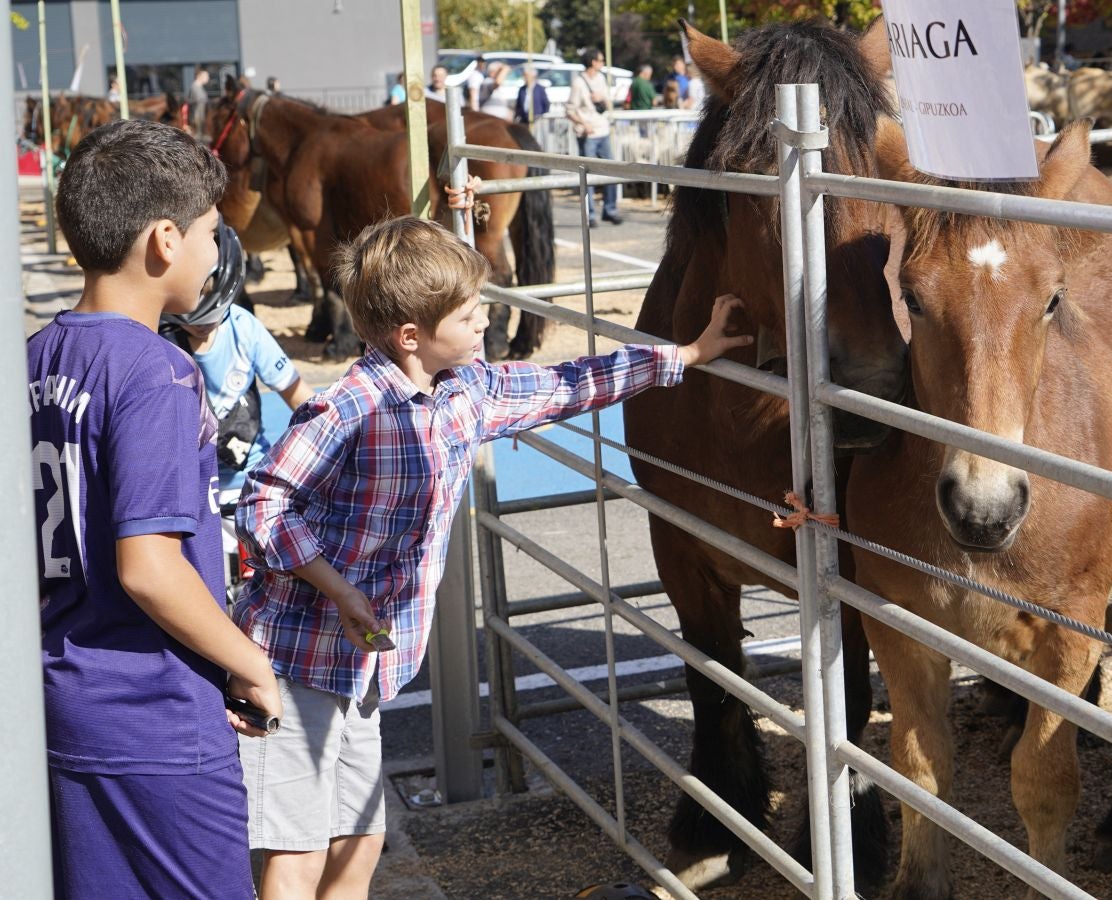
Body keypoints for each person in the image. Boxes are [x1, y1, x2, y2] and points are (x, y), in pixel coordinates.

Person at [232, 214, 751, 898]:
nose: (484, 322)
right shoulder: (346, 410)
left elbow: (571, 382)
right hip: (295, 662)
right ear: (412, 336)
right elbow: (262, 505)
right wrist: (335, 587)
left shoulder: (466, 394)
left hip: (361, 668)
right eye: (469, 313)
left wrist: (683, 356)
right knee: (296, 855)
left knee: (360, 841)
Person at [31, 118, 281, 900]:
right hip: (157, 717)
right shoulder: (157, 371)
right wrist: (250, 664)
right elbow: (149, 568)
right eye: (212, 231)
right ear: (166, 241)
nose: (217, 250)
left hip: (64, 707)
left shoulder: (34, 359)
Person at [158, 220, 314, 517]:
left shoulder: (243, 327)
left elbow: (301, 399)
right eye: (194, 321)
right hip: (193, 489)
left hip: (252, 480)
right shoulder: (161, 342)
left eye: (212, 320)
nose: (203, 328)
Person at [566, 48, 621, 226]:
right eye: (601, 60)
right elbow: (569, 110)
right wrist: (583, 124)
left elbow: (608, 103)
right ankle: (590, 215)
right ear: (593, 62)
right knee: (587, 176)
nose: (603, 63)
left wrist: (602, 99)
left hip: (602, 130)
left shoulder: (601, 79)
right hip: (587, 133)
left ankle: (610, 209)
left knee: (612, 171)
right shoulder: (578, 83)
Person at [189, 66, 210, 135]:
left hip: (201, 120)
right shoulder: (195, 87)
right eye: (206, 76)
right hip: (198, 122)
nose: (208, 78)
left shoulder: (199, 87)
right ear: (199, 76)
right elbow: (196, 106)